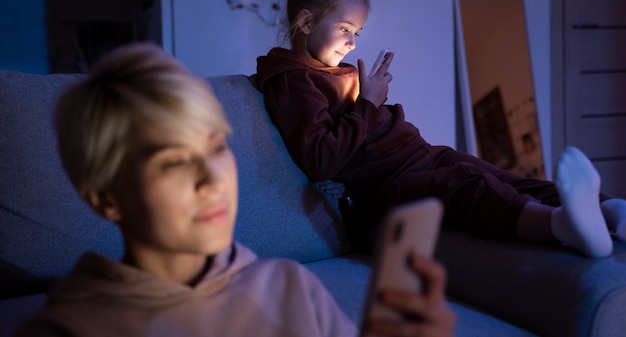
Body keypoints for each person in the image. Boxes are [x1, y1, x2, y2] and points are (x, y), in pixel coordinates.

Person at [15, 43, 456, 337]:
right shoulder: (71, 328)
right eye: (172, 162)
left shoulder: (289, 286)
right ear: (105, 197)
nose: (213, 182)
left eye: (216, 147)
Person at [255, 0, 626, 259]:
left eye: (358, 31)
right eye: (345, 29)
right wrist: (368, 102)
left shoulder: (329, 70)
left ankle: (610, 210)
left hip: (416, 155)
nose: (352, 42)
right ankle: (563, 226)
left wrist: (370, 100)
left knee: (495, 175)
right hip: (385, 183)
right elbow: (321, 158)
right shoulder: (294, 82)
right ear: (305, 23)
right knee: (468, 186)